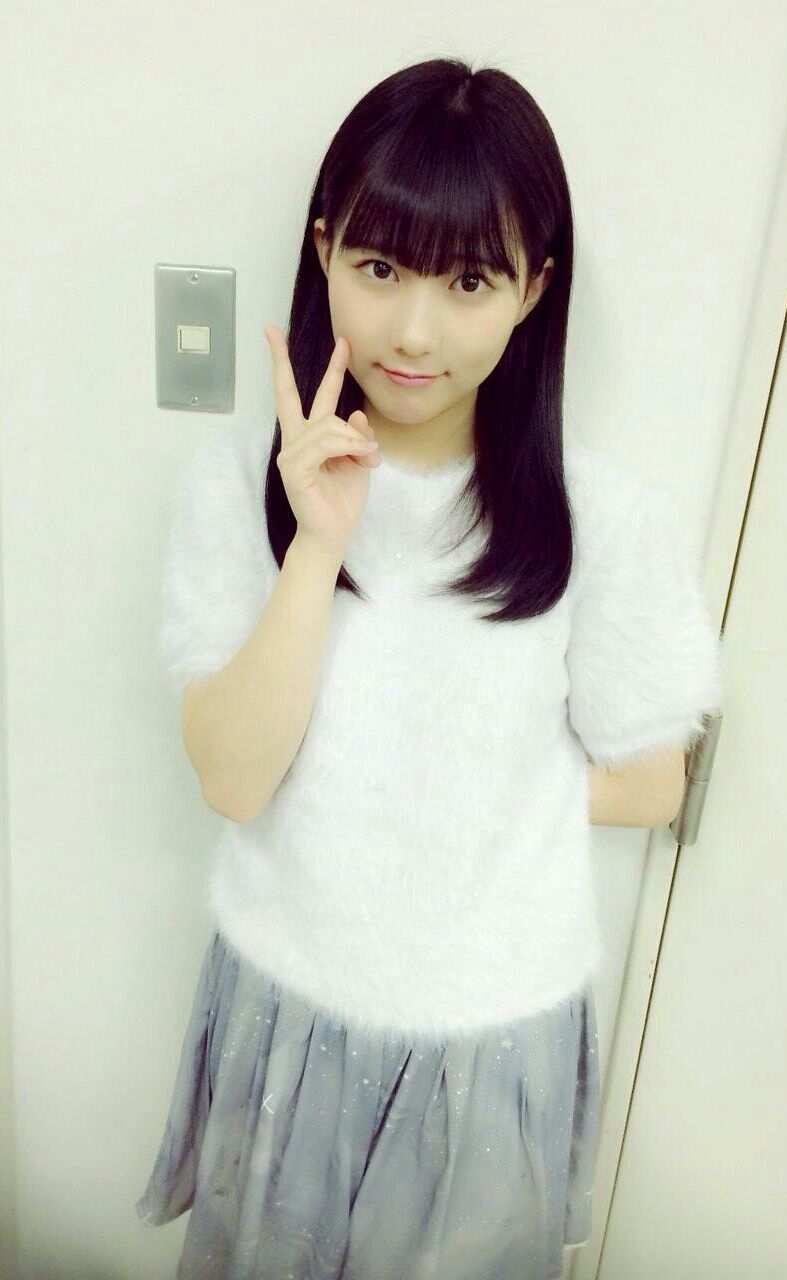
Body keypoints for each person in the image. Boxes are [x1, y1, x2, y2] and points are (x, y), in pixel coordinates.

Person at [135, 56, 722, 1280]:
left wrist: (426, 780)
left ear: (533, 288)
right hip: (285, 1003)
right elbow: (234, 778)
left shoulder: (604, 524)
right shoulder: (239, 486)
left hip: (489, 1035)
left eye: (467, 281)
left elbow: (650, 780)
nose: (412, 331)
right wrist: (317, 548)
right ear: (324, 250)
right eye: (380, 266)